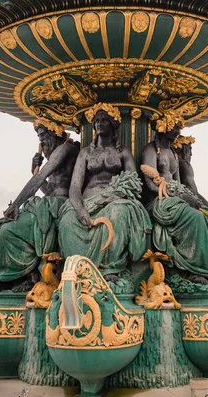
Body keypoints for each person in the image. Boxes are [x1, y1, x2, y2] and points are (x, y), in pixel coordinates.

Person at [0, 118, 79, 293]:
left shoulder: (65, 148)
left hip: (59, 204)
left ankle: (30, 276)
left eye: (43, 135)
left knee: (8, 230)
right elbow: (47, 188)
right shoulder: (56, 153)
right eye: (39, 137)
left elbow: (40, 179)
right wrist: (33, 171)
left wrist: (17, 203)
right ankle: (4, 278)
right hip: (48, 202)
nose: (41, 141)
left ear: (54, 132)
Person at [141, 113, 208, 292]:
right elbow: (148, 184)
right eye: (176, 126)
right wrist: (176, 195)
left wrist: (202, 205)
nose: (179, 130)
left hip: (176, 200)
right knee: (195, 218)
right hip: (159, 201)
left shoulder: (174, 155)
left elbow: (180, 186)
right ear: (164, 127)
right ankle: (194, 271)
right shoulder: (151, 150)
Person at [58, 103, 151, 277]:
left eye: (104, 120)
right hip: (88, 199)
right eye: (96, 121)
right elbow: (75, 187)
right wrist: (80, 209)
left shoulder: (123, 152)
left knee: (119, 212)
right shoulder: (85, 153)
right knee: (68, 220)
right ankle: (78, 270)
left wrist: (113, 195)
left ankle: (111, 269)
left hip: (114, 198)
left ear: (113, 124)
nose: (99, 124)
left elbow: (134, 181)